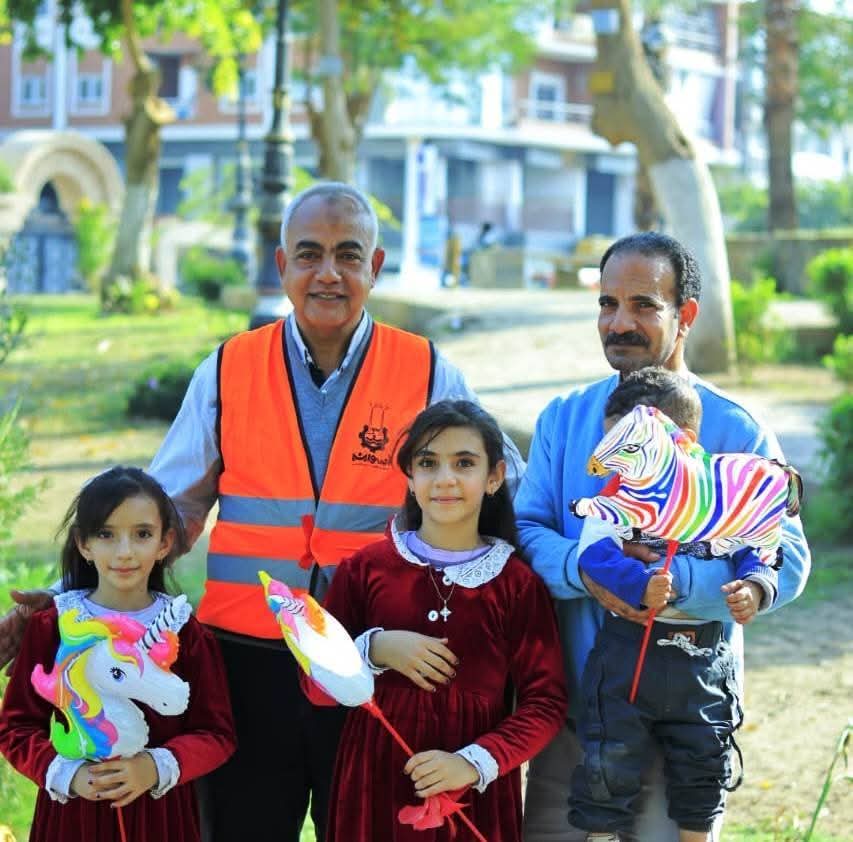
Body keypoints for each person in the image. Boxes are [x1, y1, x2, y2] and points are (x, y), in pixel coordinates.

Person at [0, 182, 523, 842]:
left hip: (377, 665)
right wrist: (69, 597)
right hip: (244, 668)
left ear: (376, 266)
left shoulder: (426, 371)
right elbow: (162, 513)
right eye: (308, 254)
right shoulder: (228, 369)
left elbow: (500, 492)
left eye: (348, 254)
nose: (327, 272)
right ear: (281, 265)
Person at [517, 232, 810, 842]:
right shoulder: (564, 418)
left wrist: (671, 586)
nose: (618, 323)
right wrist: (586, 569)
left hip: (686, 720)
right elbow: (526, 531)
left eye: (643, 305)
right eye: (607, 304)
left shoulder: (736, 429)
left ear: (686, 315)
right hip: (577, 718)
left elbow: (787, 554)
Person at [320, 400, 567, 841]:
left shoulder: (516, 585)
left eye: (464, 463)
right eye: (428, 463)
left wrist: (472, 763)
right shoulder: (365, 569)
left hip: (474, 794)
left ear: (494, 477)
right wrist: (375, 649)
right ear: (409, 477)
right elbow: (315, 685)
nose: (445, 478)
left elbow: (545, 703)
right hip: (374, 784)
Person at [569, 368, 781, 842]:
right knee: (608, 756)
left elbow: (757, 546)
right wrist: (638, 583)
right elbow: (594, 554)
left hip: (703, 658)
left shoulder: (724, 492)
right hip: (628, 653)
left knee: (705, 758)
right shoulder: (615, 498)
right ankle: (601, 836)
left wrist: (755, 587)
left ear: (682, 440)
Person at [0, 467, 236, 842]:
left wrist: (154, 768)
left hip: (160, 817)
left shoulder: (185, 633)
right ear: (83, 544)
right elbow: (15, 727)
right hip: (73, 818)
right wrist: (68, 775)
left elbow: (216, 733)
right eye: (106, 534)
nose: (124, 552)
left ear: (165, 543)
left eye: (142, 534)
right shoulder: (52, 627)